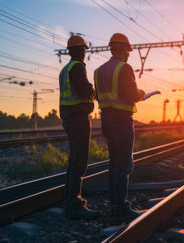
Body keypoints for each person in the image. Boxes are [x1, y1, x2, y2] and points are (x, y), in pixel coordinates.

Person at [94, 33, 145, 224]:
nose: (128, 54)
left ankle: (115, 206)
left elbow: (98, 96)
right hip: (122, 120)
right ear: (124, 49)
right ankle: (121, 209)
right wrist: (140, 94)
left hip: (106, 119)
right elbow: (131, 94)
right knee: (124, 165)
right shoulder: (124, 68)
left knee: (114, 163)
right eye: (128, 51)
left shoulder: (99, 70)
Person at [59, 35, 99, 220]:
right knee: (79, 164)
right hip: (78, 119)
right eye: (84, 49)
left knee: (73, 163)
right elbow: (85, 91)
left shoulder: (65, 69)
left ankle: (69, 201)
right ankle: (74, 205)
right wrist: (93, 90)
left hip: (69, 119)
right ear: (82, 50)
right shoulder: (77, 67)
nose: (84, 53)